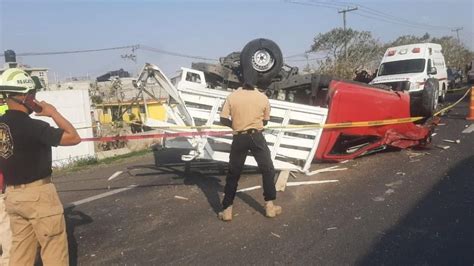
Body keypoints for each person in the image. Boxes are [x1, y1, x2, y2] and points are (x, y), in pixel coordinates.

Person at [0, 68, 81, 265]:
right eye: (33, 94)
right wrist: (53, 113)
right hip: (38, 194)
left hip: (12, 195)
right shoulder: (33, 127)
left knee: (21, 252)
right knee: (54, 249)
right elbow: (73, 137)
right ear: (26, 96)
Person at [218, 80, 282, 221]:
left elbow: (223, 119)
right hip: (256, 137)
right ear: (255, 84)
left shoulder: (232, 96)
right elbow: (265, 121)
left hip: (239, 138)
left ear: (241, 83)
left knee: (234, 173)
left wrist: (235, 124)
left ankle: (227, 210)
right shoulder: (262, 97)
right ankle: (270, 206)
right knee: (268, 169)